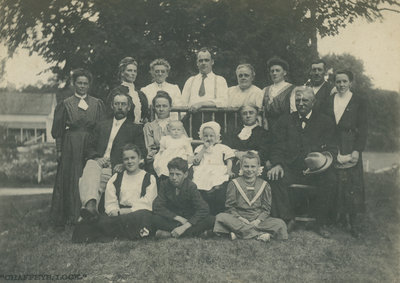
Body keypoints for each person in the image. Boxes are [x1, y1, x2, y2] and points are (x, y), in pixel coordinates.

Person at [267, 86, 337, 238]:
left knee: (331, 179)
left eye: (305, 100)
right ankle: (287, 219)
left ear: (313, 102)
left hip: (316, 171)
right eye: (298, 100)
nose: (301, 103)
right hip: (291, 168)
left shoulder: (325, 121)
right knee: (275, 176)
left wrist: (322, 163)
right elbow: (276, 145)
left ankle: (320, 222)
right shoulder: (284, 120)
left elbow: (332, 148)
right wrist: (277, 164)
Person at [79, 91, 146, 220]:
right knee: (90, 164)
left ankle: (89, 210)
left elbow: (141, 152)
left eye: (123, 104)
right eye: (117, 104)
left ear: (129, 107)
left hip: (117, 166)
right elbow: (89, 147)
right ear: (112, 106)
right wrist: (97, 158)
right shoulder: (101, 125)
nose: (120, 107)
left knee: (91, 182)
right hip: (98, 163)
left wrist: (124, 164)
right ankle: (91, 207)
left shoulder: (135, 128)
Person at [51, 68, 105, 228]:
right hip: (71, 145)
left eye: (85, 83)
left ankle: (90, 213)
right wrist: (59, 150)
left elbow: (101, 128)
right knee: (72, 177)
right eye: (79, 83)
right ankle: (71, 216)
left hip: (91, 145)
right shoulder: (65, 104)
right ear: (74, 84)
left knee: (89, 176)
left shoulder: (97, 104)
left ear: (89, 85)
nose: (82, 86)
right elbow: (58, 132)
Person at [72, 144, 157, 243]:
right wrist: (115, 211)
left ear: (139, 159)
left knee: (144, 218)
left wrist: (128, 211)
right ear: (122, 161)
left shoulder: (149, 178)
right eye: (126, 159)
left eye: (133, 158)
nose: (130, 162)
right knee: (97, 222)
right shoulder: (116, 178)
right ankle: (121, 233)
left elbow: (148, 202)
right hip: (119, 214)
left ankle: (110, 233)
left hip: (138, 213)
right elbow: (110, 201)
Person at [214, 151, 288, 241]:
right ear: (241, 167)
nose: (249, 170)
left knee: (280, 224)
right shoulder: (234, 183)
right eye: (246, 166)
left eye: (253, 167)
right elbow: (230, 207)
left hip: (257, 220)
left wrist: (257, 221)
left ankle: (239, 234)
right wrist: (241, 218)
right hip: (239, 219)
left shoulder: (265, 185)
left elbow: (266, 209)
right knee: (220, 217)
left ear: (258, 168)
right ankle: (259, 235)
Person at [328, 70, 368, 238]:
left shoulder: (359, 101)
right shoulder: (330, 100)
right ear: (335, 83)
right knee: (335, 181)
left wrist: (357, 150)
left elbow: (364, 128)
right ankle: (337, 217)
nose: (341, 85)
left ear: (351, 82)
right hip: (334, 142)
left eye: (345, 81)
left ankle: (352, 222)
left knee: (352, 183)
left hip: (350, 142)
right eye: (338, 81)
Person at [152, 157, 215, 238]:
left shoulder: (191, 186)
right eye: (171, 174)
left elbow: (204, 209)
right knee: (154, 218)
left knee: (211, 219)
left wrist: (184, 227)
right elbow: (157, 206)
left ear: (185, 174)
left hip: (189, 220)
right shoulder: (164, 184)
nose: (174, 178)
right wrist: (177, 218)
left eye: (178, 174)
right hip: (173, 220)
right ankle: (194, 234)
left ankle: (169, 234)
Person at [181, 47, 228, 139]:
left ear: (212, 62)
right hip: (192, 122)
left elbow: (224, 102)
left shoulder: (219, 80)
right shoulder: (190, 81)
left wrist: (201, 104)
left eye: (206, 60)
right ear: (197, 63)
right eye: (201, 60)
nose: (203, 63)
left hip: (213, 120)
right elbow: (183, 103)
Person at [192, 121, 235, 215]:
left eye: (211, 136)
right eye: (206, 136)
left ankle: (216, 189)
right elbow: (196, 161)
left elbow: (229, 160)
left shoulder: (222, 147)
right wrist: (204, 149)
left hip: (217, 168)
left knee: (217, 182)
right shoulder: (199, 148)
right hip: (203, 169)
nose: (208, 138)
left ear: (217, 137)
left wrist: (229, 170)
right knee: (200, 182)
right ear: (202, 137)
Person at [223, 104, 272, 175]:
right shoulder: (233, 132)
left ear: (256, 115)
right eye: (244, 113)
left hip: (255, 166)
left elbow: (264, 152)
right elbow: (225, 148)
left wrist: (246, 156)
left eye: (251, 113)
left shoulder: (264, 133)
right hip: (234, 164)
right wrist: (237, 154)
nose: (248, 116)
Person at [106, 57, 149, 123]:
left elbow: (145, 116)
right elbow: (109, 116)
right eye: (129, 70)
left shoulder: (140, 94)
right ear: (122, 73)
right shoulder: (116, 92)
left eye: (135, 71)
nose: (133, 73)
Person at [143, 91, 175, 172]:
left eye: (164, 106)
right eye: (158, 106)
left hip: (175, 157)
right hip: (156, 159)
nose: (161, 109)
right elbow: (150, 148)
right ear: (154, 108)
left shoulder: (176, 125)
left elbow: (183, 143)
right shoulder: (149, 126)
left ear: (170, 107)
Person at [262, 56, 295, 131]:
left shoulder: (292, 89)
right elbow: (262, 112)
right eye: (272, 71)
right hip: (268, 129)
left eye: (277, 70)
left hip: (285, 129)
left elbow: (294, 113)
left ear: (284, 72)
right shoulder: (265, 90)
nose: (274, 73)